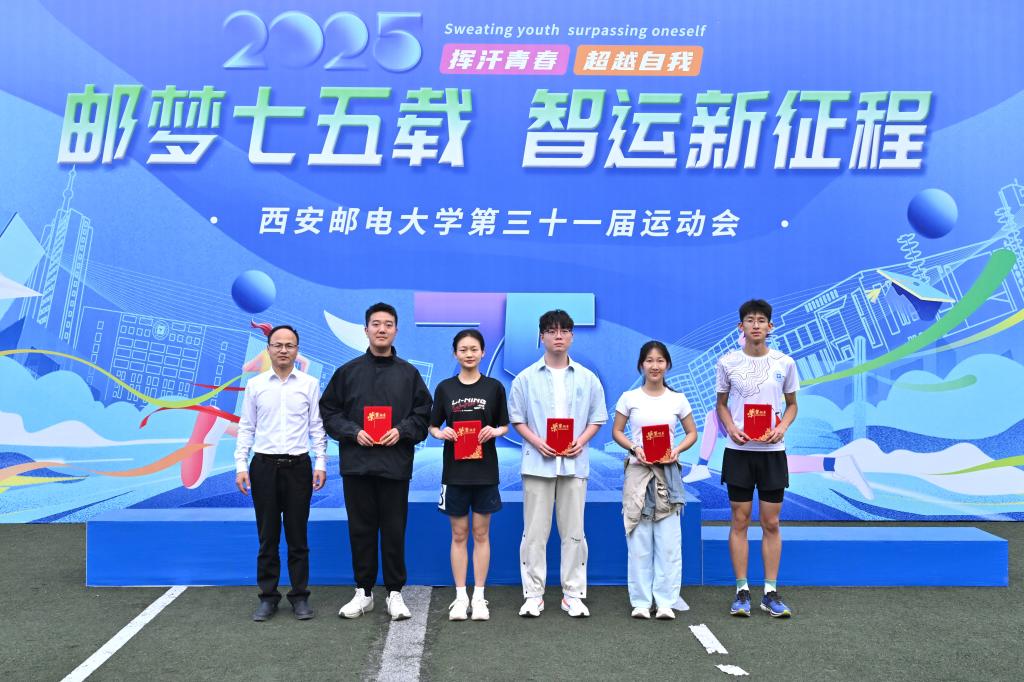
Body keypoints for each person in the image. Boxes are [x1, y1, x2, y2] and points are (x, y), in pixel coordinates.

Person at [319, 302, 432, 621]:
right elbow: (329, 412)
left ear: (396, 330)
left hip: (395, 466)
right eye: (376, 324)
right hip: (358, 466)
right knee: (361, 529)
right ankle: (363, 592)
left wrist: (402, 430)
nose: (382, 329)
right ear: (366, 329)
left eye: (388, 324)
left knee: (394, 530)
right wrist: (353, 432)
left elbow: (423, 414)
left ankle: (395, 593)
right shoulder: (347, 372)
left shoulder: (409, 374)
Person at [509, 309, 608, 618]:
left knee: (574, 532)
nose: (558, 336)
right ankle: (533, 594)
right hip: (537, 464)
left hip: (575, 464)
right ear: (541, 337)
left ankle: (573, 594)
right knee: (534, 533)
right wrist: (537, 442)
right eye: (551, 331)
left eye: (564, 331)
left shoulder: (587, 378)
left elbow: (597, 418)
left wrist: (582, 440)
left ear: (572, 336)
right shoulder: (525, 378)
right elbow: (517, 419)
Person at [234, 324, 327, 622]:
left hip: (299, 467)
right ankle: (268, 597)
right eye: (278, 345)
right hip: (263, 467)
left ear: (297, 350)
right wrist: (241, 464)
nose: (283, 350)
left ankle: (300, 596)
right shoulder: (256, 385)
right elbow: (246, 427)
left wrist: (321, 463)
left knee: (298, 537)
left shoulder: (309, 384)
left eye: (289, 345)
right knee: (268, 537)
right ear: (269, 349)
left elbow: (317, 427)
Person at [715, 299, 799, 618]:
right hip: (739, 453)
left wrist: (781, 427)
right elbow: (721, 404)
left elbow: (792, 404)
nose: (755, 325)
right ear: (741, 327)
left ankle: (770, 592)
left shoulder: (784, 363)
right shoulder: (727, 362)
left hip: (772, 454)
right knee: (739, 520)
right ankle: (742, 591)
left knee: (771, 522)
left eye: (761, 320)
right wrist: (731, 427)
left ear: (770, 326)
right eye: (750, 320)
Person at [612, 341, 697, 620]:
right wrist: (634, 448)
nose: (655, 366)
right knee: (639, 541)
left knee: (669, 542)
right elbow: (617, 431)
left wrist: (677, 450)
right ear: (641, 365)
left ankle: (665, 601)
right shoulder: (629, 398)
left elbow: (691, 433)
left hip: (667, 475)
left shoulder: (677, 399)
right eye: (649, 360)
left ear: (668, 365)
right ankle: (640, 601)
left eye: (660, 360)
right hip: (638, 474)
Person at [428, 330, 510, 621]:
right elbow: (432, 426)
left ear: (483, 352)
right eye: (463, 349)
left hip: (485, 472)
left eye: (474, 349)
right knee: (459, 534)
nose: (469, 354)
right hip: (455, 473)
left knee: (481, 533)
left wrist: (494, 431)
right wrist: (442, 433)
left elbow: (504, 425)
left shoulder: (494, 387)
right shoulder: (445, 388)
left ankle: (479, 596)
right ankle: (461, 596)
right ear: (455, 354)